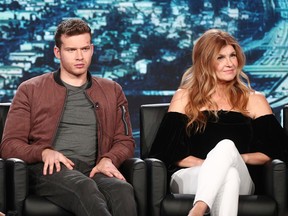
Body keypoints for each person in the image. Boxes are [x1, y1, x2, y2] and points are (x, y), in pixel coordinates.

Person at [0, 18, 137, 216]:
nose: (80, 56)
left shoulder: (112, 90)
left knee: (122, 190)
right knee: (84, 187)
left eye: (85, 48)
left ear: (92, 49)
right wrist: (43, 152)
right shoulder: (30, 89)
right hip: (48, 169)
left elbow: (125, 141)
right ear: (58, 52)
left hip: (93, 167)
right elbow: (9, 145)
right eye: (71, 50)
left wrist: (109, 159)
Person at [149, 29, 288, 216]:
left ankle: (198, 210)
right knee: (228, 174)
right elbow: (165, 150)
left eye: (232, 56)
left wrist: (234, 158)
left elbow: (278, 149)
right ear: (205, 63)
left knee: (228, 155)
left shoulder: (254, 100)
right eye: (220, 58)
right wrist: (212, 165)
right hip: (191, 175)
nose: (230, 63)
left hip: (243, 177)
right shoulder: (184, 97)